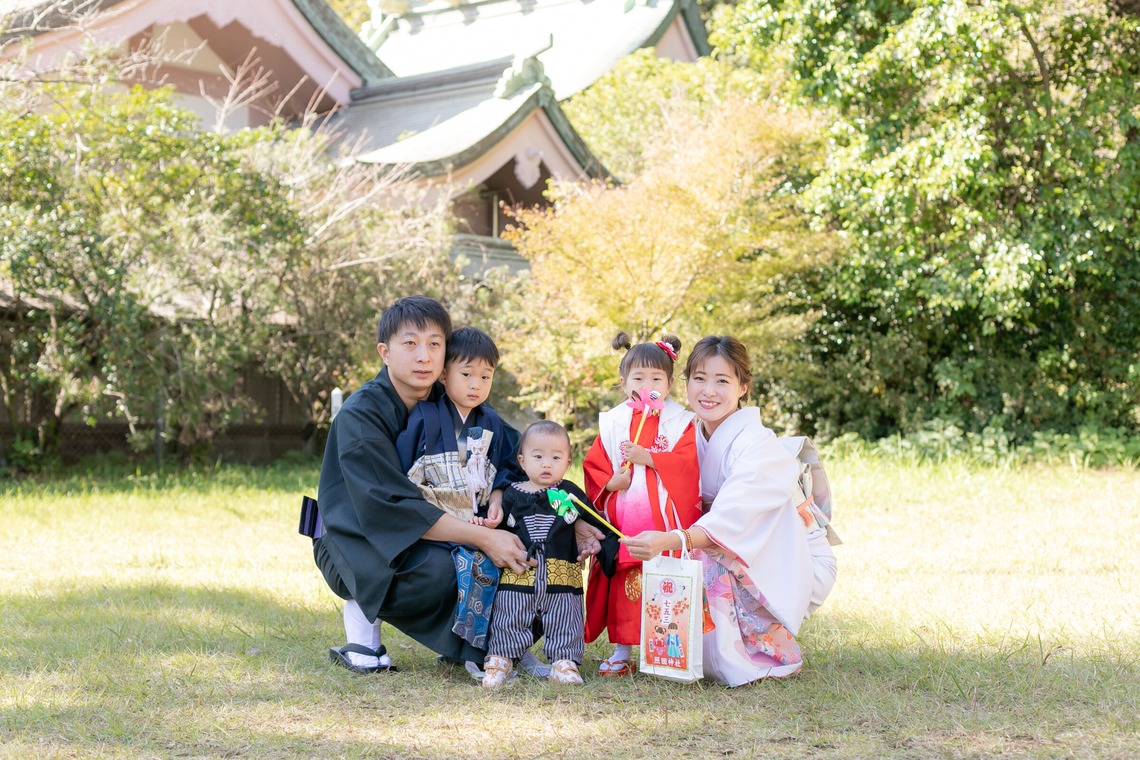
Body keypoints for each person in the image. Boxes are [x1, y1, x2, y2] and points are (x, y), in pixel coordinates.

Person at [311, 296, 536, 674]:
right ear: (385, 352)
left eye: (435, 344)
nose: (424, 356)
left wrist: (503, 494)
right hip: (354, 539)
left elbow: (518, 452)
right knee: (449, 570)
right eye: (410, 344)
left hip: (437, 528)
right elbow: (390, 508)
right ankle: (365, 620)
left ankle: (494, 641)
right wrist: (483, 538)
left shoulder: (453, 397)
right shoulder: (361, 416)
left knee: (535, 542)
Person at [621, 335, 837, 687]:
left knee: (703, 557)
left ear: (743, 387)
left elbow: (733, 521)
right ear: (685, 382)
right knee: (683, 558)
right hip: (723, 545)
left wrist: (669, 540)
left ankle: (750, 655)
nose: (708, 391)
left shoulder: (758, 444)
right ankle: (676, 652)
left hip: (785, 556)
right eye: (699, 378)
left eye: (722, 381)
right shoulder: (684, 433)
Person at [394, 326, 523, 653]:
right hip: (437, 522)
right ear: (443, 374)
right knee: (470, 566)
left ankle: (509, 644)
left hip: (479, 517)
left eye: (485, 377)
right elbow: (403, 471)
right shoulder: (425, 416)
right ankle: (472, 651)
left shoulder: (491, 421)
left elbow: (507, 466)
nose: (476, 384)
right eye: (466, 374)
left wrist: (498, 496)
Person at [582, 332, 701, 677]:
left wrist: (649, 457)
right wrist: (610, 484)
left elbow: (688, 465)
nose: (647, 386)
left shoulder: (680, 422)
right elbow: (595, 466)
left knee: (663, 584)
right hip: (625, 518)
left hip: (662, 520)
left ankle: (663, 652)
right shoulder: (614, 422)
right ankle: (623, 650)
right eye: (638, 378)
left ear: (670, 384)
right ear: (623, 383)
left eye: (656, 379)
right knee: (627, 585)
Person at [483, 421, 595, 687]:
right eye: (538, 457)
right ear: (522, 461)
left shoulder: (570, 493)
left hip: (561, 573)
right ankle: (501, 659)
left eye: (556, 458)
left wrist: (591, 541)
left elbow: (592, 523)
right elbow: (498, 528)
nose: (547, 464)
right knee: (509, 614)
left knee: (566, 616)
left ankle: (564, 661)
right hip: (520, 573)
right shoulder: (513, 494)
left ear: (568, 462)